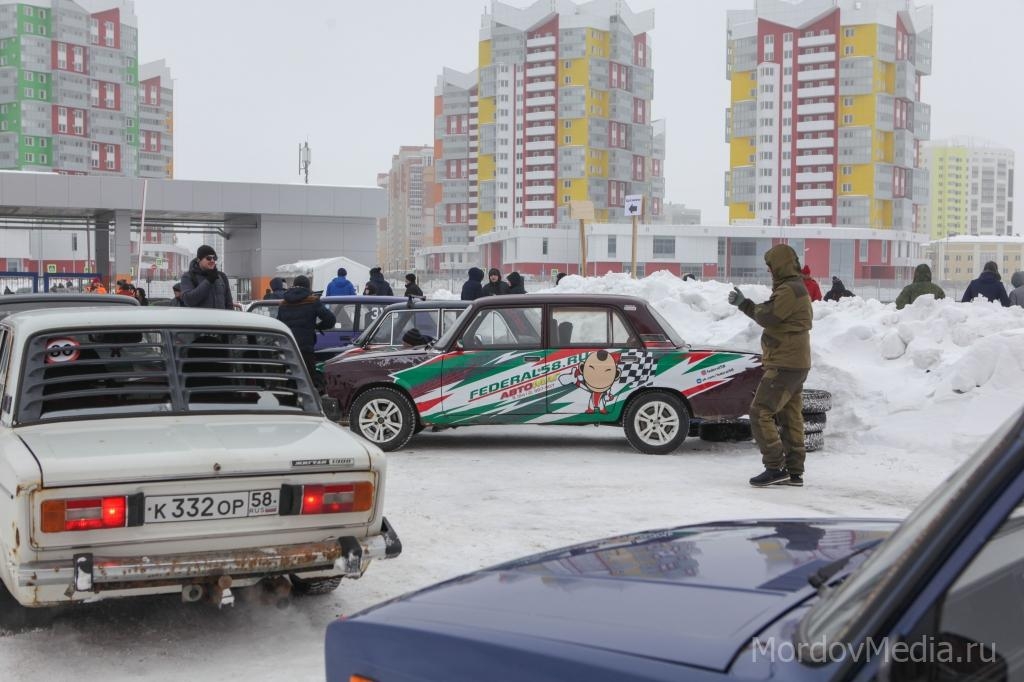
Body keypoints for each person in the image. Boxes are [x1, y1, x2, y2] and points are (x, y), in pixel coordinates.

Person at [728, 243, 812, 488]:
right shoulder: (794, 287)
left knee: (760, 411)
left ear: (780, 265)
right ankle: (794, 471)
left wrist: (744, 304)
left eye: (771, 266)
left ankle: (775, 467)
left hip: (785, 362)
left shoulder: (790, 290)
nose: (769, 270)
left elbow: (768, 316)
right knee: (790, 416)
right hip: (795, 362)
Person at [276, 275, 336, 387]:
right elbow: (331, 320)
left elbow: (278, 325)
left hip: (288, 349)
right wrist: (318, 326)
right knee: (308, 382)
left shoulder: (283, 304)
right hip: (306, 350)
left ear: (294, 285)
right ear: (308, 287)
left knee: (290, 382)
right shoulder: (312, 301)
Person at [180, 244, 234, 310]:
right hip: (200, 317)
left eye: (214, 258)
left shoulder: (222, 276)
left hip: (220, 316)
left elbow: (229, 304)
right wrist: (208, 281)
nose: (212, 260)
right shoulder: (188, 277)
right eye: (208, 258)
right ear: (199, 260)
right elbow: (188, 300)